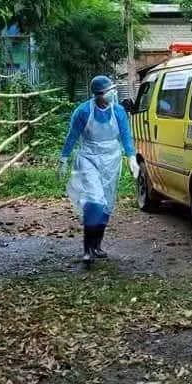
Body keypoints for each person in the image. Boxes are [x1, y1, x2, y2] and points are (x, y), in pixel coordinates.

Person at [58, 75, 140, 263]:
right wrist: (63, 158)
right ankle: (87, 249)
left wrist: (131, 157)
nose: (113, 93)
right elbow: (72, 135)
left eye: (113, 90)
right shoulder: (83, 111)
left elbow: (126, 136)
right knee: (94, 201)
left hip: (111, 159)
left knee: (106, 204)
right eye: (108, 91)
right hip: (89, 157)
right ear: (98, 95)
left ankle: (97, 245)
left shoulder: (118, 111)